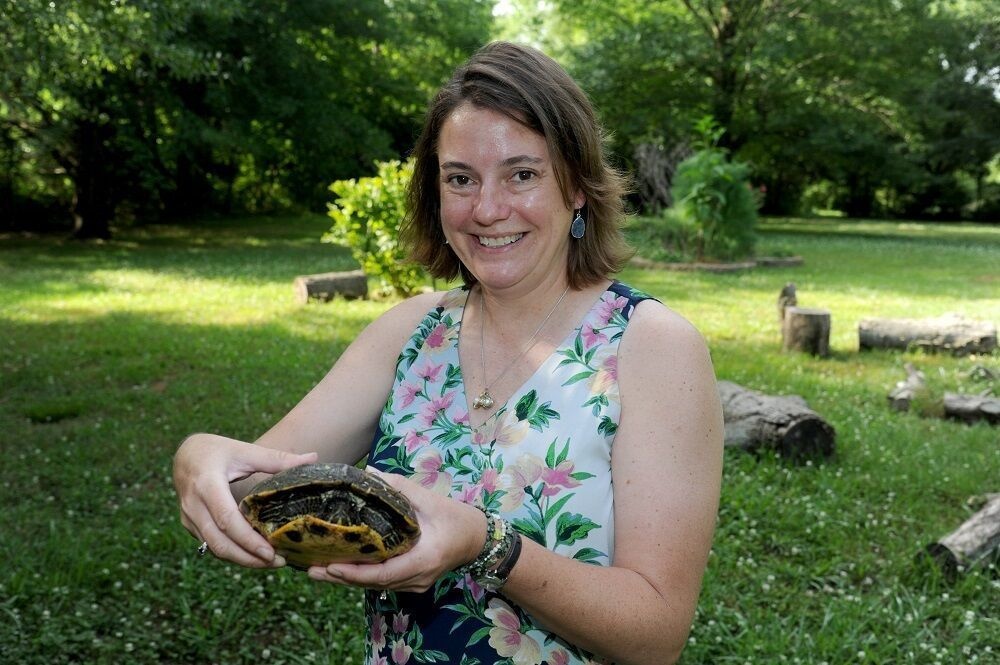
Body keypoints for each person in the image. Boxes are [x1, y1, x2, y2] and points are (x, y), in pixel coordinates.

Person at [174, 41, 723, 665]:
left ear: (576, 186)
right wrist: (198, 458)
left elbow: (656, 634)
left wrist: (488, 545)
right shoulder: (410, 332)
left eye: (522, 174)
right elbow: (259, 481)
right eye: (461, 179)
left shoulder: (652, 347)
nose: (487, 210)